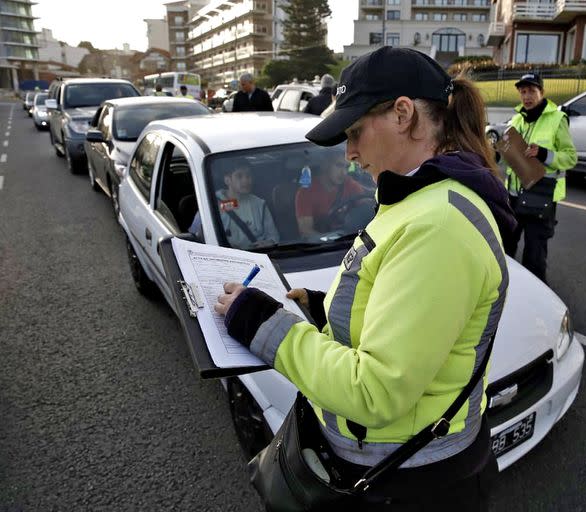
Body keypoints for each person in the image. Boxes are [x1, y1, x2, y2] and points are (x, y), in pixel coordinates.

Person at [214, 46, 519, 511]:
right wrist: (322, 310)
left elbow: (376, 391)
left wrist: (265, 326)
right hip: (401, 467)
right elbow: (397, 309)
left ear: (402, 114)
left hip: (411, 481)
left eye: (355, 132)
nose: (350, 153)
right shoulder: (417, 196)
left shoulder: (437, 225)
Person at [504, 72, 577, 284]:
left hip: (540, 197)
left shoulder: (557, 119)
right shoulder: (517, 119)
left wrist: (544, 154)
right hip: (514, 196)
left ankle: (535, 302)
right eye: (523, 91)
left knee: (534, 255)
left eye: (532, 91)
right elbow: (509, 155)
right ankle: (506, 291)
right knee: (506, 247)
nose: (527, 96)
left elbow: (571, 157)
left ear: (542, 92)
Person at [189, 165, 279, 247]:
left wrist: (268, 243)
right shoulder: (211, 203)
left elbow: (273, 237)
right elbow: (195, 236)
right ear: (227, 180)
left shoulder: (260, 204)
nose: (246, 180)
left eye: (248, 176)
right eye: (239, 176)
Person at [294, 158, 370, 238]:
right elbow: (306, 232)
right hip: (323, 246)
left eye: (346, 167)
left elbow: (366, 209)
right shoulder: (306, 193)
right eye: (339, 165)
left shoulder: (349, 184)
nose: (344, 172)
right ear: (325, 165)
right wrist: (327, 240)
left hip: (351, 240)